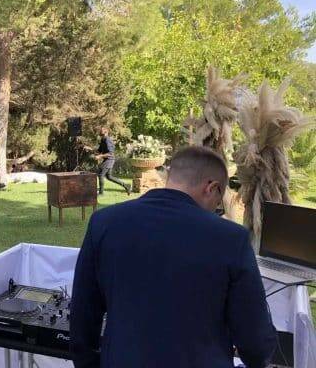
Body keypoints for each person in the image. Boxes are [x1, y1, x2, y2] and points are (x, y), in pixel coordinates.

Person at [70, 146, 276, 368]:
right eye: (218, 203)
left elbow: (83, 314)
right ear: (212, 188)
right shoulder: (231, 238)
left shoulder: (104, 222)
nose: (216, 210)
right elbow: (255, 341)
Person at [95, 127, 131, 195]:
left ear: (106, 132)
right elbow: (99, 151)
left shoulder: (107, 140)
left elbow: (110, 153)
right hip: (107, 160)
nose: (100, 131)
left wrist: (100, 156)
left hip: (109, 160)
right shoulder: (103, 140)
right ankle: (126, 185)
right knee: (109, 177)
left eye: (101, 130)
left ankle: (101, 193)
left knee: (101, 174)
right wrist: (89, 149)